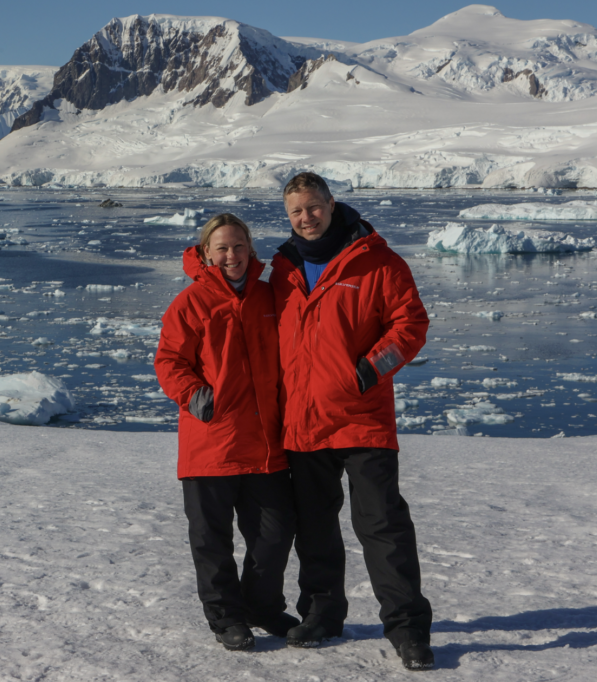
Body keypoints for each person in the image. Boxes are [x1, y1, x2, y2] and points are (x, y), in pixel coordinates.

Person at [269, 173, 435, 670]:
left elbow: (411, 325)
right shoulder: (282, 268)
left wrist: (366, 372)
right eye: (297, 211)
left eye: (314, 207)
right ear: (288, 215)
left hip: (363, 420)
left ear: (331, 203)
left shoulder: (377, 261)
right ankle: (322, 614)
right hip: (304, 422)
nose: (307, 218)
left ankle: (407, 628)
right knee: (315, 527)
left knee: (382, 525)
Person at [154, 213, 299, 651]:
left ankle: (261, 605)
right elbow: (168, 361)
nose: (231, 255)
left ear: (250, 249)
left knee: (274, 535)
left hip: (264, 443)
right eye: (222, 247)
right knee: (211, 540)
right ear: (205, 253)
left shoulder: (269, 295)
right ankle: (226, 617)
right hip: (211, 441)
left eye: (238, 246)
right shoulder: (191, 303)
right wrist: (198, 396)